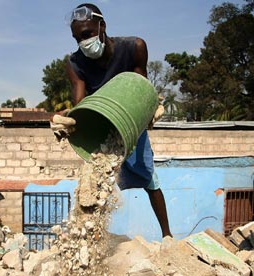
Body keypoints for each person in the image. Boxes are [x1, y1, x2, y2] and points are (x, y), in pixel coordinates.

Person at [61, 3, 172, 238]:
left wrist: (151, 108)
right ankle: (92, 239)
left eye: (87, 34)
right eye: (77, 38)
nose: (83, 42)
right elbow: (79, 103)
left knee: (150, 179)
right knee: (98, 184)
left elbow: (140, 86)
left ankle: (167, 236)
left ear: (102, 26)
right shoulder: (75, 63)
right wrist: (68, 119)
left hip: (130, 120)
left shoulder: (134, 48)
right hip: (102, 126)